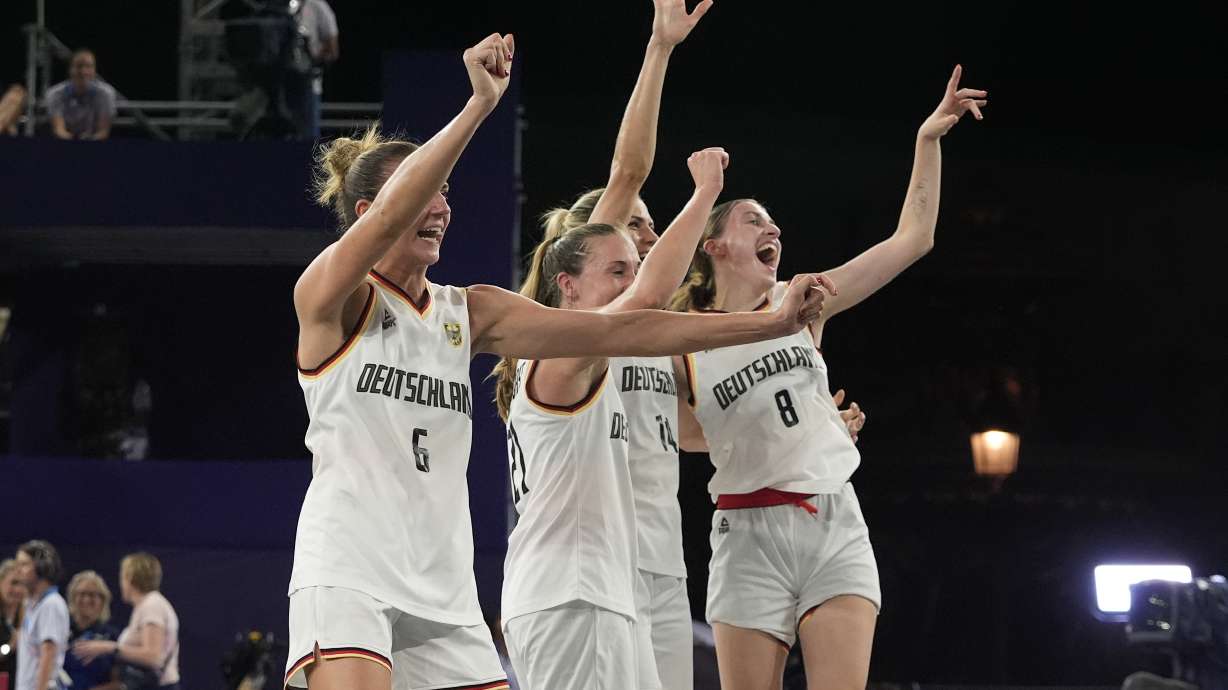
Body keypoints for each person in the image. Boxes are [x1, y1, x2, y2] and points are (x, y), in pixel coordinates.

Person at [286, 33, 825, 690]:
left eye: (447, 191)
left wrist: (766, 322)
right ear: (371, 212)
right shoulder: (329, 298)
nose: (441, 205)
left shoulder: (470, 310)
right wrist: (478, 107)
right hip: (351, 569)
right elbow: (395, 211)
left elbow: (621, 328)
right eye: (424, 190)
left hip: (445, 587)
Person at [668, 65, 986, 690]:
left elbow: (913, 238)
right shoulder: (682, 337)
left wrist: (928, 141)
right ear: (714, 247)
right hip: (745, 530)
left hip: (831, 518)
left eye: (773, 223)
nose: (773, 230)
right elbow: (687, 435)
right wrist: (782, 428)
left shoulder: (802, 303)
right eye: (754, 221)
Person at [503, 1, 710, 687]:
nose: (646, 239)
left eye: (649, 233)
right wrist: (659, 51)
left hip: (649, 550)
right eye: (632, 233)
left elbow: (690, 433)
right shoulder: (580, 330)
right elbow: (629, 173)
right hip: (590, 562)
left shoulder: (659, 336)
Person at [73, 553, 180, 690]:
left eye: (122, 577)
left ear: (130, 577)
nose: (121, 584)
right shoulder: (146, 605)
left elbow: (153, 657)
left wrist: (109, 647)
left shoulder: (152, 605)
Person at [14, 540, 69, 690]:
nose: (17, 571)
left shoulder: (51, 605)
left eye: (24, 564)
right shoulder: (34, 606)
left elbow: (48, 654)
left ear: (42, 567)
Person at [64, 571, 120, 690]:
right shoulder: (60, 632)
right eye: (82, 594)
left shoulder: (112, 636)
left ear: (103, 600)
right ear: (72, 597)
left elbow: (120, 683)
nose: (86, 599)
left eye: (93, 595)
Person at [45, 49, 116, 141]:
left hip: (95, 144)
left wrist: (88, 142)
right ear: (70, 69)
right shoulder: (55, 94)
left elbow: (103, 131)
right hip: (64, 144)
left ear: (94, 70)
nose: (83, 72)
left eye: (89, 67)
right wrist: (76, 143)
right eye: (79, 66)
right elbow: (59, 130)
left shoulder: (106, 93)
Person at [294, 0, 338, 138]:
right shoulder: (276, 6)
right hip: (277, 85)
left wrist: (311, 59)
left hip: (308, 84)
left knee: (308, 137)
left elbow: (333, 51)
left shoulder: (318, 6)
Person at [0, 559, 28, 684]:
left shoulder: (30, 617)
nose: (18, 590)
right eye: (14, 583)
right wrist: (10, 646)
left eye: (23, 584)